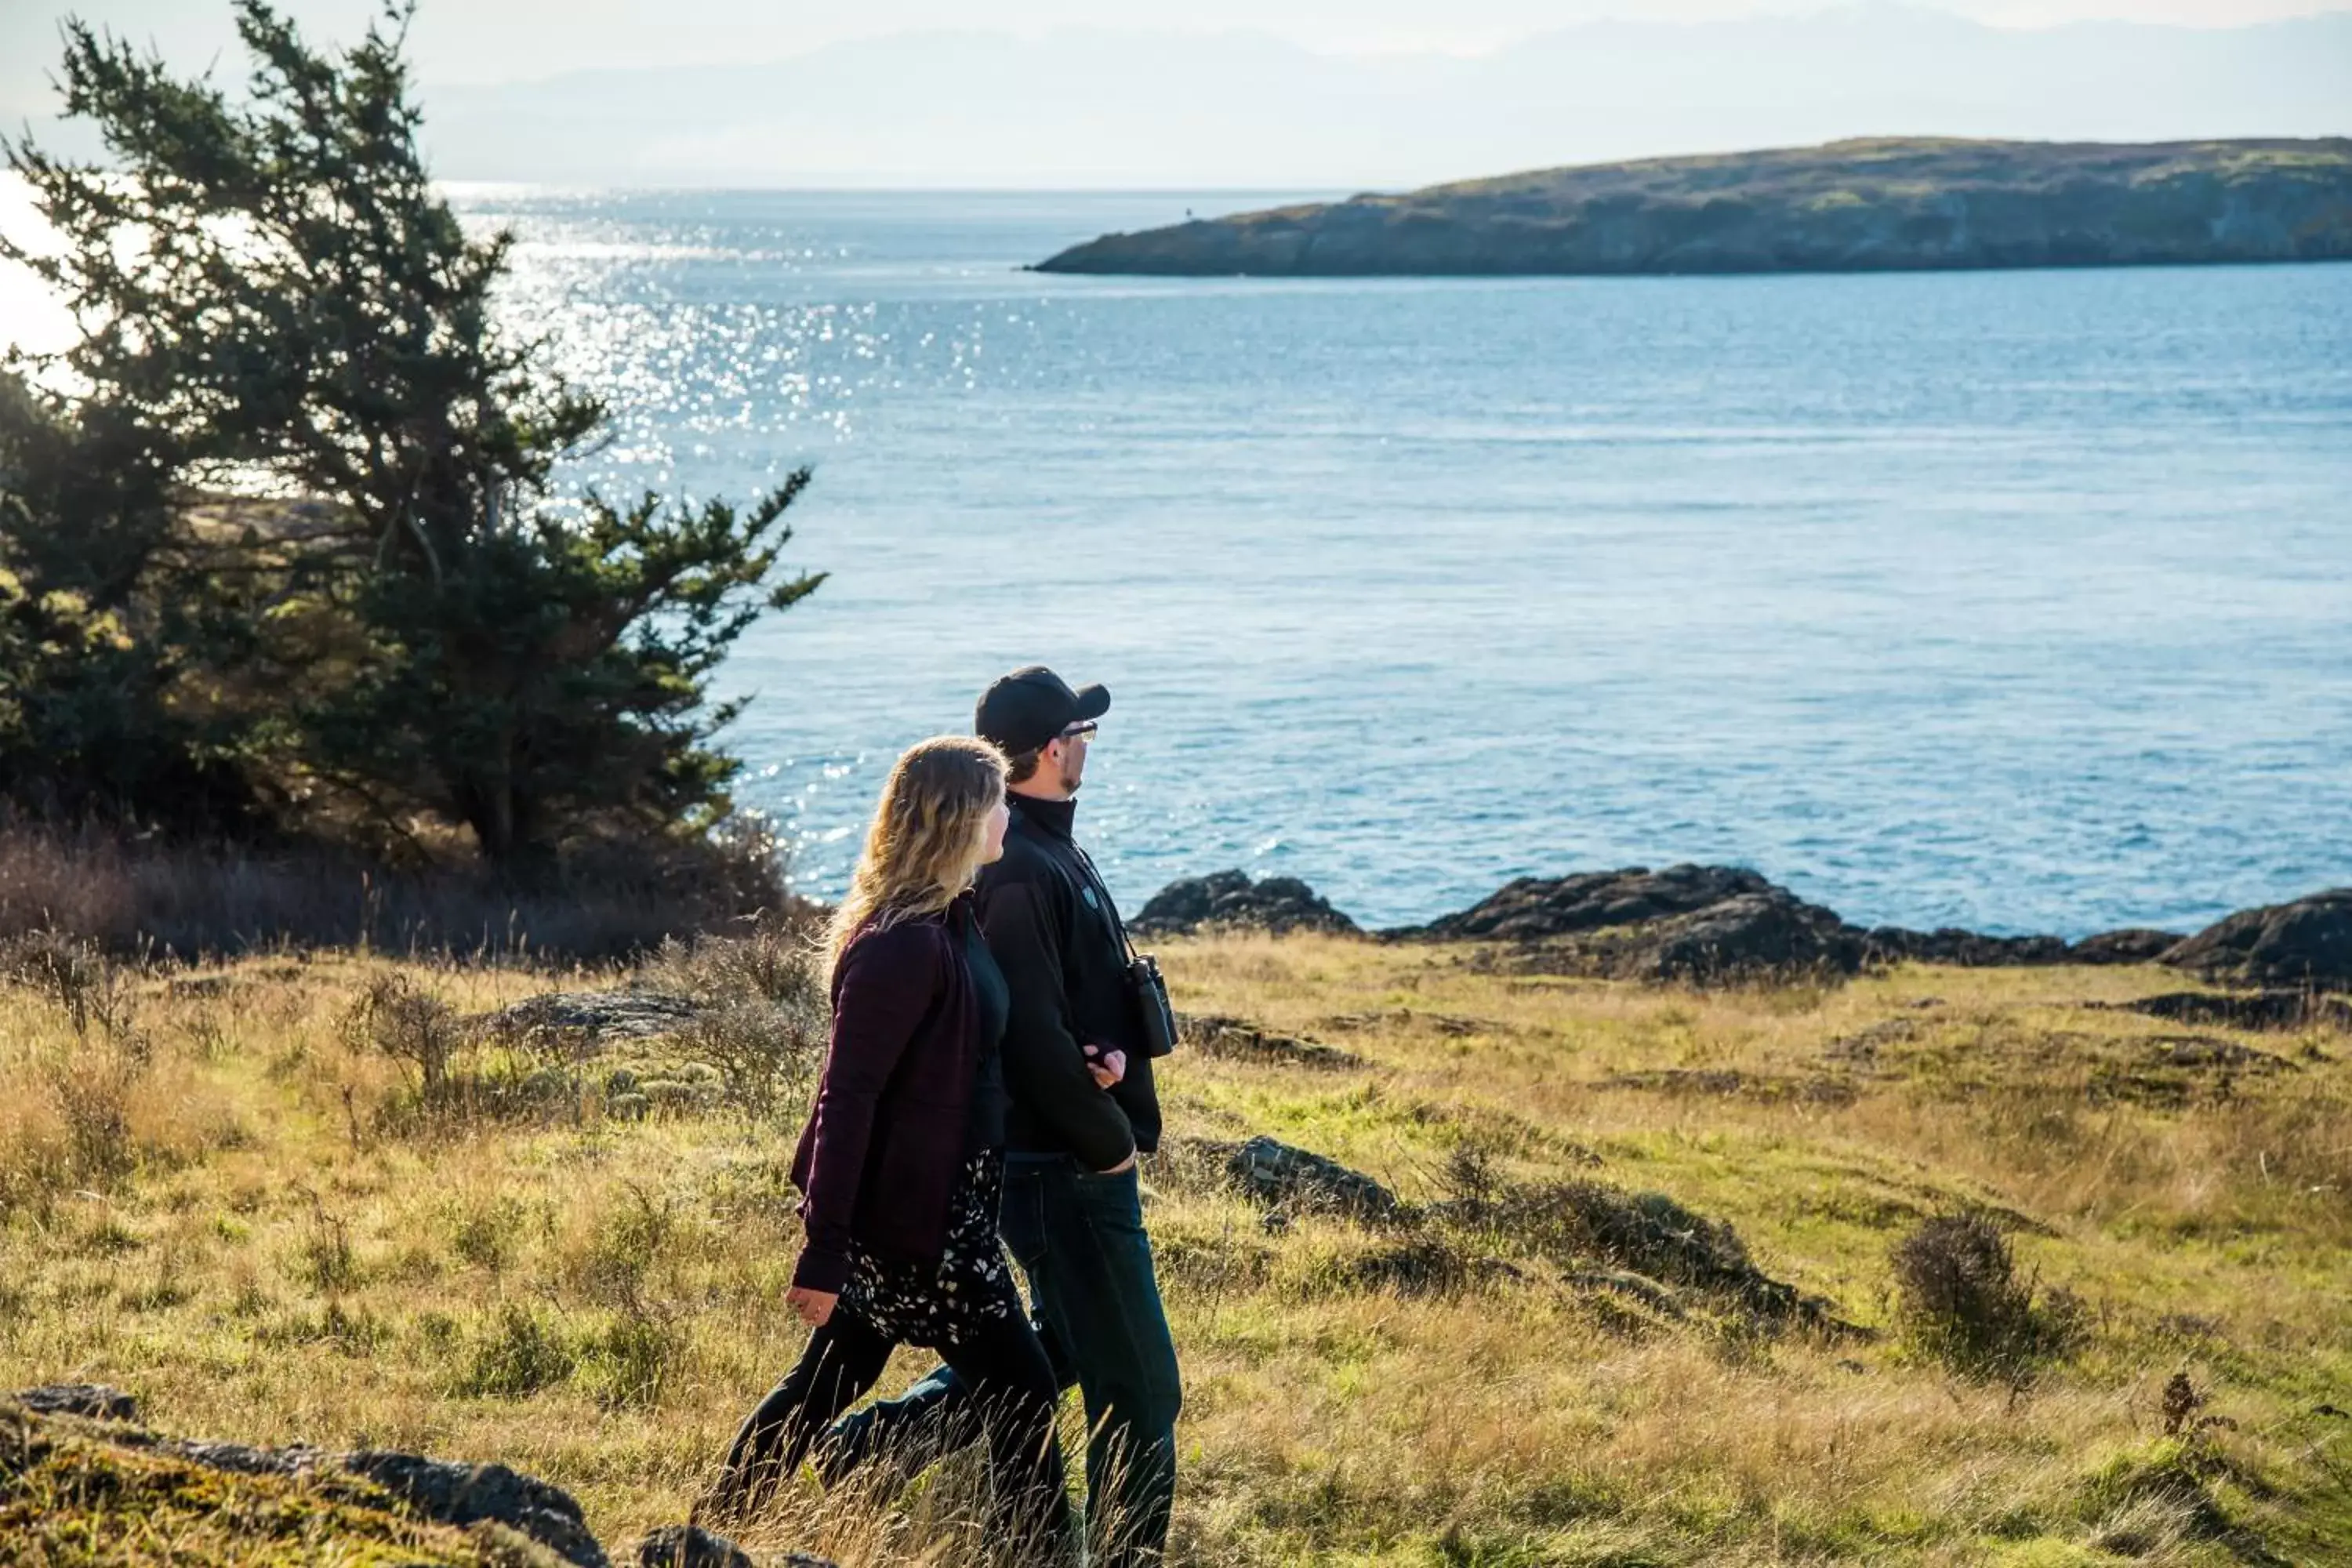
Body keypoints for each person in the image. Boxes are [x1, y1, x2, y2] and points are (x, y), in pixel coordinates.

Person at [826, 667, 1182, 1566]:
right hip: (1062, 1167)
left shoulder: (1035, 849)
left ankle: (879, 1443)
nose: (1089, 747)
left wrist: (1106, 1057)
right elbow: (1025, 1041)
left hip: (1058, 1154)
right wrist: (1105, 1150)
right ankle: (1125, 1557)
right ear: (1050, 748)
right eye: (1082, 734)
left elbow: (1049, 1009)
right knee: (1141, 1385)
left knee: (1059, 1342)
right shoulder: (1020, 865)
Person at [705, 735, 1071, 1555]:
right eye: (996, 800)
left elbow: (965, 1050)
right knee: (1023, 1390)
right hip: (922, 1223)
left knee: (831, 1379)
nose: (1009, 812)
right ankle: (1040, 1553)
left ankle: (717, 1522)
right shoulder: (899, 946)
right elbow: (848, 1095)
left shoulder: (948, 920)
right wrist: (823, 1249)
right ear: (959, 819)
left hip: (938, 1206)